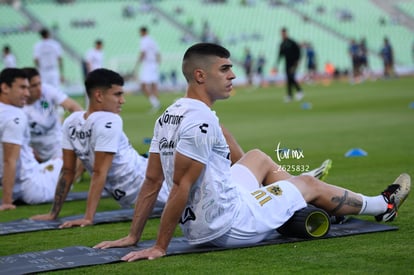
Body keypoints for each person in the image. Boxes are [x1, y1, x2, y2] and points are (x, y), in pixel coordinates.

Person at [94, 43, 410, 262]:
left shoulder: (170, 113)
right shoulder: (200, 122)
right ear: (201, 76)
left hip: (218, 205)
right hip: (229, 224)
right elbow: (178, 186)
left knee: (257, 157)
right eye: (225, 69)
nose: (233, 75)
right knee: (308, 183)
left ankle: (293, 199)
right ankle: (381, 205)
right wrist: (160, 247)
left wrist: (134, 237)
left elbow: (152, 182)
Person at [30, 68, 169, 226]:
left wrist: (84, 217)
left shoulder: (74, 121)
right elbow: (71, 171)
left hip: (151, 182)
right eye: (117, 94)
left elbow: (86, 172)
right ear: (99, 95)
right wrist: (55, 214)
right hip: (142, 183)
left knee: (192, 201)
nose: (122, 100)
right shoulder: (106, 121)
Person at [0, 68, 63, 210]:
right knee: (78, 154)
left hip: (44, 153)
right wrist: (6, 201)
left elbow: (58, 110)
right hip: (31, 184)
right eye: (24, 87)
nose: (29, 92)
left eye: (35, 85)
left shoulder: (44, 103)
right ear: (4, 88)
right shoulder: (17, 114)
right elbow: (9, 160)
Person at [21, 67, 82, 162]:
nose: (39, 88)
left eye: (39, 83)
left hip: (59, 144)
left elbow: (74, 107)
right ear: (25, 87)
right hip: (36, 153)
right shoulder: (19, 107)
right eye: (34, 86)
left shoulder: (47, 90)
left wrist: (81, 130)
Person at [133, 26, 161, 111]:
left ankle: (155, 103)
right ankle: (156, 103)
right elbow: (158, 53)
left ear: (142, 32)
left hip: (148, 64)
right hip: (154, 64)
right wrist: (157, 63)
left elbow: (143, 52)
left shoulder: (144, 40)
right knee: (153, 84)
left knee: (143, 85)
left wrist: (137, 64)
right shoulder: (152, 40)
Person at [275, 27, 303, 102]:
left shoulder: (292, 42)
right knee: (289, 78)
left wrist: (298, 60)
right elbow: (280, 55)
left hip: (293, 63)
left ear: (286, 33)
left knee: (291, 77)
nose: (282, 35)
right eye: (281, 33)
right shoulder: (282, 44)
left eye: (283, 33)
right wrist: (276, 65)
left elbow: (298, 51)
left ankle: (298, 91)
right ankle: (291, 95)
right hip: (287, 63)